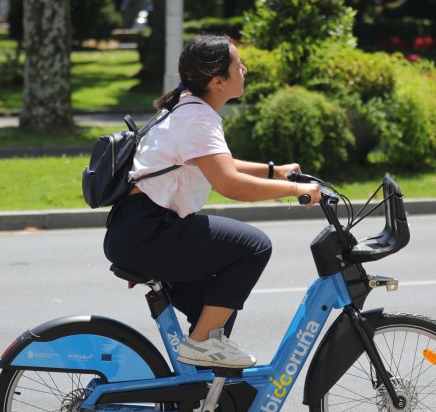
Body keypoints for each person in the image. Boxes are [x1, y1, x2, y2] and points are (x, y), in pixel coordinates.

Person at [103, 35, 322, 369]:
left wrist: (274, 171)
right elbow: (229, 184)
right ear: (218, 81)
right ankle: (201, 343)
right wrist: (295, 191)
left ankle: (201, 407)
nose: (244, 69)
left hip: (136, 230)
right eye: (238, 66)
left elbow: (218, 163)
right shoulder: (198, 118)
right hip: (150, 230)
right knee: (254, 245)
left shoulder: (187, 106)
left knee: (218, 308)